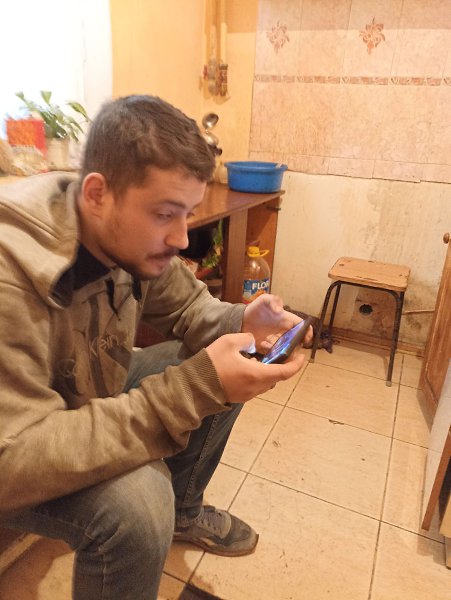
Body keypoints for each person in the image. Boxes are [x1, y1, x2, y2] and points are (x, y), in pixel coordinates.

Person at [0, 95, 308, 599]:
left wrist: (244, 322)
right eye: (166, 214)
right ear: (97, 194)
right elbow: (12, 460)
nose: (182, 238)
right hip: (18, 447)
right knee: (139, 504)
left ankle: (185, 512)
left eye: (188, 214)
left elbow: (190, 308)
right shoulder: (11, 272)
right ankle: (162, 514)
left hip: (84, 386)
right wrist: (193, 388)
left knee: (232, 353)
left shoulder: (125, 236)